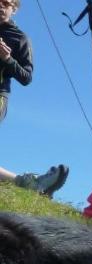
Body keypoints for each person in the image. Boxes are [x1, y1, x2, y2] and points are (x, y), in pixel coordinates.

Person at [0, 0, 68, 197]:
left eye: (6, 3)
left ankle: (29, 183)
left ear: (14, 9)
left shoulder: (20, 38)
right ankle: (30, 184)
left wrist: (7, 59)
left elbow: (26, 77)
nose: (1, 6)